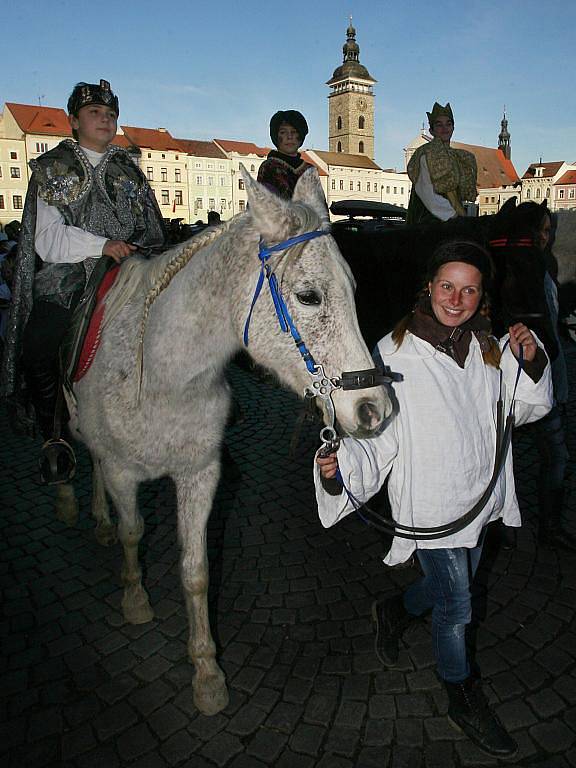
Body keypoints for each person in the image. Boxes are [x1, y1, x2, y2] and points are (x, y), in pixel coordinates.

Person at [315, 240, 552, 758]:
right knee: (458, 604)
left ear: (481, 295)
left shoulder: (490, 346)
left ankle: (396, 609)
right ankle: (460, 693)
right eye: (448, 285)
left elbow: (526, 409)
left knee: (453, 587)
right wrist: (341, 471)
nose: (456, 297)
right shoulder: (394, 353)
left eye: (469, 289)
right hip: (431, 503)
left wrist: (530, 361)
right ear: (429, 285)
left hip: (477, 496)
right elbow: (377, 434)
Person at [1, 79, 166, 483]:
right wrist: (102, 244)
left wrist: (143, 251)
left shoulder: (129, 168)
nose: (105, 120)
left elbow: (152, 226)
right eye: (95, 113)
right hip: (68, 278)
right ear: (74, 121)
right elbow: (47, 237)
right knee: (38, 346)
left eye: (111, 115)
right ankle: (54, 438)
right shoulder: (54, 167)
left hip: (129, 270)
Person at [504, 201, 574, 550]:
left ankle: (549, 526)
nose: (545, 238)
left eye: (549, 231)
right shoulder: (518, 267)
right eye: (540, 231)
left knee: (555, 456)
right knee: (519, 455)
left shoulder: (544, 264)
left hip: (549, 375)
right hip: (525, 377)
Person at [407, 102, 477, 226]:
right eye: (439, 125)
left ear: (453, 128)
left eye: (448, 124)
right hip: (428, 222)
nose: (445, 129)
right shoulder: (426, 154)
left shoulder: (457, 156)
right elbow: (428, 195)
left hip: (452, 220)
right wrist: (454, 217)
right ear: (432, 130)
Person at [257, 110, 314, 199]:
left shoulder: (309, 170)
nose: (289, 137)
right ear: (276, 136)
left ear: (301, 136)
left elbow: (320, 206)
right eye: (283, 132)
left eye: (294, 132)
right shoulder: (269, 167)